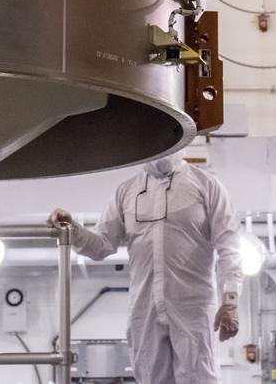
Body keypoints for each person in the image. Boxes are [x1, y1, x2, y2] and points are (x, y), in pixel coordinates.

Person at [48, 152, 242, 384]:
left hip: (193, 309)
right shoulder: (127, 192)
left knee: (198, 378)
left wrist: (229, 301)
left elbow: (229, 247)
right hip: (145, 309)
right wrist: (74, 230)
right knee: (149, 377)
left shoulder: (206, 186)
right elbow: (101, 245)